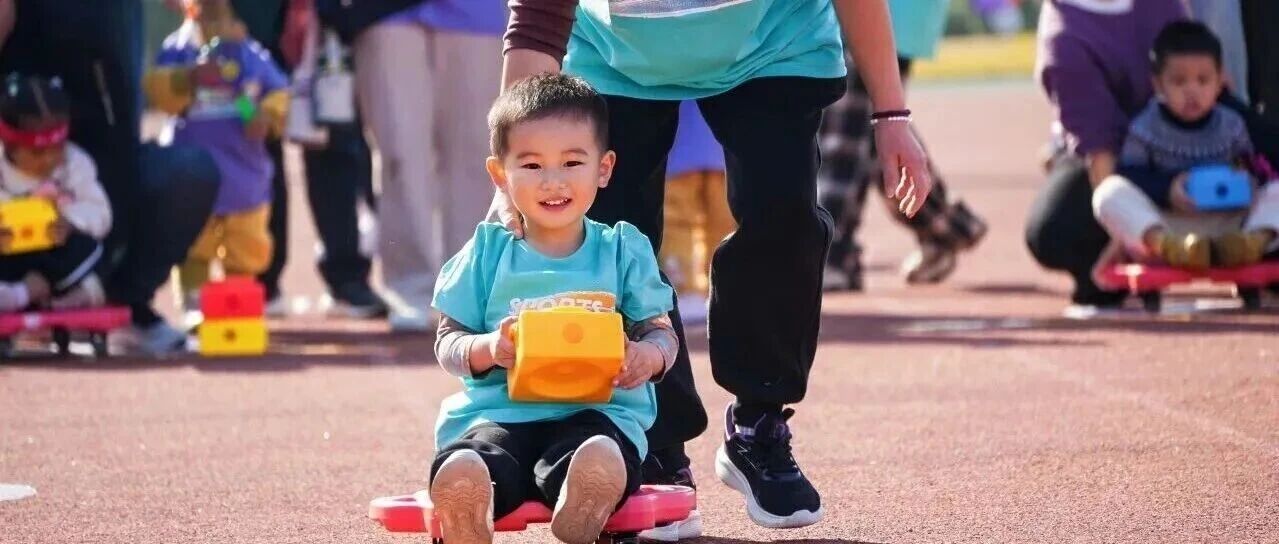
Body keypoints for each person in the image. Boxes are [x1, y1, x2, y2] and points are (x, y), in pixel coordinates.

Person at [497, 0, 934, 530]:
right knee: (614, 244)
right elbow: (537, 24)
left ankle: (759, 423)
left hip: (776, 41)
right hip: (613, 55)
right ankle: (657, 449)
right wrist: (513, 178)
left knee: (784, 218)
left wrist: (892, 115)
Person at [428, 74, 681, 544]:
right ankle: (469, 494)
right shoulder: (486, 252)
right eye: (532, 165)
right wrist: (489, 348)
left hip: (596, 412)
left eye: (571, 162)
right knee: (482, 452)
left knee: (598, 447)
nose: (553, 181)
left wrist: (649, 357)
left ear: (603, 169)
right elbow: (448, 341)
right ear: (501, 175)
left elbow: (661, 332)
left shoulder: (622, 249)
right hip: (500, 412)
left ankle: (586, 492)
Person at [0, 0, 222, 355]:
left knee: (189, 172)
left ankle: (118, 301)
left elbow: (110, 183)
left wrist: (92, 268)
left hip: (78, 215)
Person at [342, 0, 506, 331]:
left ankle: (470, 288)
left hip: (479, 12)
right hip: (385, 13)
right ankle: (409, 288)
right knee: (400, 156)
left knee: (477, 154)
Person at [226, 0, 388, 319]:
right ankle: (260, 279)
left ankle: (346, 277)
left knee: (335, 143)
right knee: (256, 152)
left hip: (324, 24)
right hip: (246, 25)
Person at [1024, 0, 1188, 309]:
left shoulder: (1167, 6)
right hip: (1114, 158)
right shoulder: (1065, 38)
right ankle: (1102, 278)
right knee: (1054, 231)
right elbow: (1100, 149)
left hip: (1185, 138)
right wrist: (1125, 232)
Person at [821, 0, 987, 291]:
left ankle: (832, 251)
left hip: (882, 14)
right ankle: (947, 226)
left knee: (849, 131)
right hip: (852, 16)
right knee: (873, 133)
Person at [1091, 21, 1277, 272]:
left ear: (1220, 80)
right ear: (1158, 85)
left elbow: (1253, 165)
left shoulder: (1232, 124)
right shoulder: (1145, 127)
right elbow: (1131, 175)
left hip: (1231, 223)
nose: (1192, 92)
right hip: (1170, 225)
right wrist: (1168, 188)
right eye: (1179, 82)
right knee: (1109, 193)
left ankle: (1253, 243)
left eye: (1203, 81)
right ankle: (1169, 248)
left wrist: (1248, 177)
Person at [145, 0, 289, 313]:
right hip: (196, 173)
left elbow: (274, 92)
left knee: (247, 243)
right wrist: (189, 78)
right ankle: (195, 304)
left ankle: (238, 305)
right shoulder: (179, 50)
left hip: (243, 174)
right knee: (194, 243)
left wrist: (263, 115)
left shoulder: (247, 54)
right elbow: (160, 92)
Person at [0, 75, 110, 312]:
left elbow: (101, 214)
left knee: (94, 250)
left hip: (57, 256)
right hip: (10, 256)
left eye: (57, 148)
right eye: (37, 153)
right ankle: (20, 294)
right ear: (9, 145)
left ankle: (81, 296)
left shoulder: (75, 163)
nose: (50, 159)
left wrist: (71, 221)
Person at [658, 101, 730, 323]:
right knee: (724, 221)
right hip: (721, 146)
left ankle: (693, 289)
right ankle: (715, 289)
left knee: (682, 220)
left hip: (685, 143)